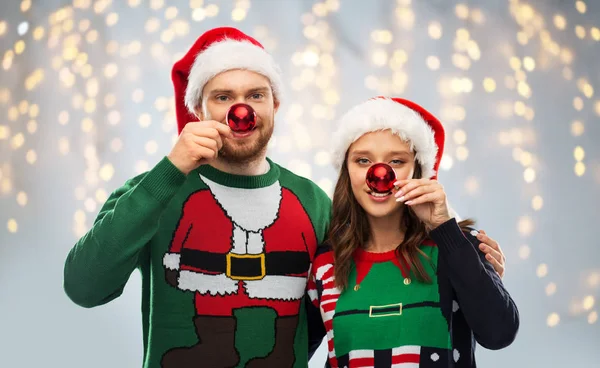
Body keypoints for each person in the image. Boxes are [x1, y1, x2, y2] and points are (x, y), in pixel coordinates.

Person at [63, 27, 332, 368]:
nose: (241, 110)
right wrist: (170, 170)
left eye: (256, 96)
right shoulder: (154, 189)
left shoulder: (313, 202)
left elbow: (332, 312)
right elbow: (84, 287)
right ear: (199, 111)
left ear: (275, 104)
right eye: (223, 97)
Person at [307, 97, 519, 367]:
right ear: (347, 172)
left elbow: (499, 333)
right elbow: (292, 351)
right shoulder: (325, 263)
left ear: (418, 170)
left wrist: (445, 229)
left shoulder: (457, 246)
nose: (379, 174)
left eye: (396, 161)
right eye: (362, 160)